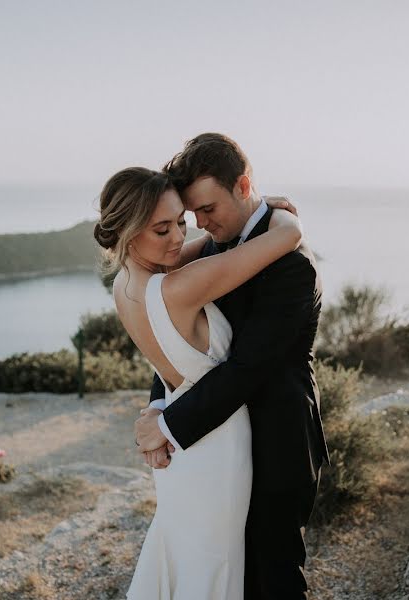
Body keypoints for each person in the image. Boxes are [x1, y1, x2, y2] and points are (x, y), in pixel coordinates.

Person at [134, 133, 330, 599]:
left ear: (243, 186)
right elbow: (177, 339)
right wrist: (157, 403)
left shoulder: (293, 267)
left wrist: (169, 424)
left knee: (274, 575)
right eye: (192, 214)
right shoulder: (217, 247)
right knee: (228, 575)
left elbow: (247, 367)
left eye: (207, 210)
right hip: (220, 447)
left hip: (277, 440)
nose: (199, 224)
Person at [94, 163, 302, 599]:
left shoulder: (126, 283)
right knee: (216, 568)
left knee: (188, 557)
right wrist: (272, 210)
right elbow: (286, 238)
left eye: (181, 222)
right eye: (162, 229)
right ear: (132, 234)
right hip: (219, 447)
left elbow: (208, 244)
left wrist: (156, 408)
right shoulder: (180, 287)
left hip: (183, 450)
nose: (177, 238)